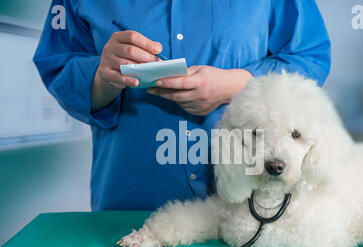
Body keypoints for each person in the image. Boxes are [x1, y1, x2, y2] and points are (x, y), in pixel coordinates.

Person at [34, 0, 331, 211]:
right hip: (130, 206)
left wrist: (235, 86)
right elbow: (59, 68)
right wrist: (102, 76)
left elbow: (308, 58)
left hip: (247, 208)